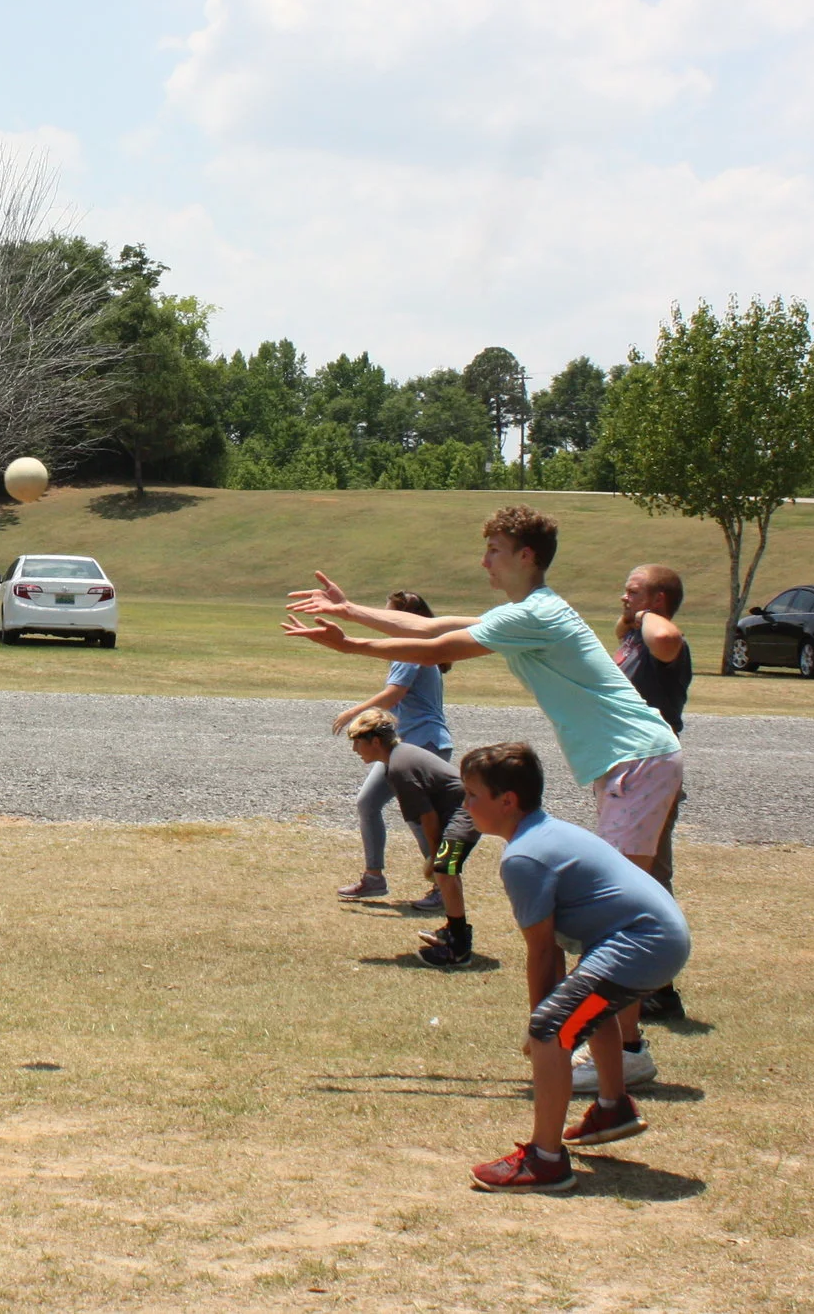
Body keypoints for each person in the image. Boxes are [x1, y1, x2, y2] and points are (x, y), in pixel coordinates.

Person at [283, 504, 685, 1089]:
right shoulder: (529, 612)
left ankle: (622, 1055)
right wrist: (350, 611)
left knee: (613, 918)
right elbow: (435, 625)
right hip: (632, 762)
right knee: (613, 913)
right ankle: (624, 1047)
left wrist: (351, 646)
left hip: (638, 761)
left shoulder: (538, 615)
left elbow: (435, 647)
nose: (484, 561)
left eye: (494, 550)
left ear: (526, 556)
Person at [455, 743, 690, 1193]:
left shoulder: (525, 856)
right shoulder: (545, 832)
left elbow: (544, 955)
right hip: (657, 938)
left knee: (552, 1027)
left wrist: (539, 1027)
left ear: (507, 801)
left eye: (471, 794)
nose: (465, 805)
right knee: (584, 1008)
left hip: (644, 945)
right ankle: (612, 1107)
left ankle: (545, 1160)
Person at [328, 590, 455, 905]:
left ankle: (443, 886)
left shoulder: (410, 649)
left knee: (418, 816)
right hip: (418, 742)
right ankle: (374, 878)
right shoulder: (414, 648)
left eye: (389, 615)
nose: (384, 622)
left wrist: (352, 713)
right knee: (369, 803)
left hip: (421, 743)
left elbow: (393, 695)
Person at [340, 710, 483, 966]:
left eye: (358, 742)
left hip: (467, 811)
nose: (354, 749)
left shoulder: (399, 768)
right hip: (464, 809)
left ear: (375, 742)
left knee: (444, 869)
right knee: (445, 870)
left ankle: (458, 949)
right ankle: (454, 931)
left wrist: (433, 856)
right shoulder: (396, 759)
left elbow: (427, 818)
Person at [614, 563, 692, 1024]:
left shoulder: (660, 638)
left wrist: (642, 618)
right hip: (627, 773)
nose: (624, 598)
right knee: (638, 873)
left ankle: (659, 987)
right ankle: (652, 982)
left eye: (634, 592)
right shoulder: (634, 639)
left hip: (653, 772)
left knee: (647, 878)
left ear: (657, 600)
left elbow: (667, 639)